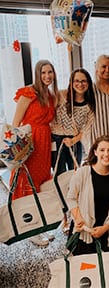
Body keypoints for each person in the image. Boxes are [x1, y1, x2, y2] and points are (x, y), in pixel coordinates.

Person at [10, 59, 59, 247]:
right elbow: (15, 124)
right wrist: (18, 151)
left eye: (50, 72)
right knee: (26, 184)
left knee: (39, 184)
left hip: (44, 143)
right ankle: (29, 229)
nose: (47, 76)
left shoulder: (50, 95)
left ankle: (40, 226)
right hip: (29, 142)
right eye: (44, 72)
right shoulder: (28, 93)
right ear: (37, 74)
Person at [51, 68, 95, 233]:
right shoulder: (61, 96)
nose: (80, 84)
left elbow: (86, 129)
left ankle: (76, 216)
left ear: (88, 84)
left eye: (83, 81)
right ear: (71, 83)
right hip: (56, 141)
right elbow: (48, 112)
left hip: (74, 143)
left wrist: (73, 140)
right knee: (59, 179)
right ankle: (64, 218)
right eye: (76, 81)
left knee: (75, 180)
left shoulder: (90, 104)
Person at [66, 135, 109, 255]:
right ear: (95, 152)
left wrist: (105, 228)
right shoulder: (83, 172)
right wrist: (78, 218)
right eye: (102, 150)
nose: (106, 154)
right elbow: (71, 198)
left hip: (106, 230)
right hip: (85, 230)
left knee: (108, 268)